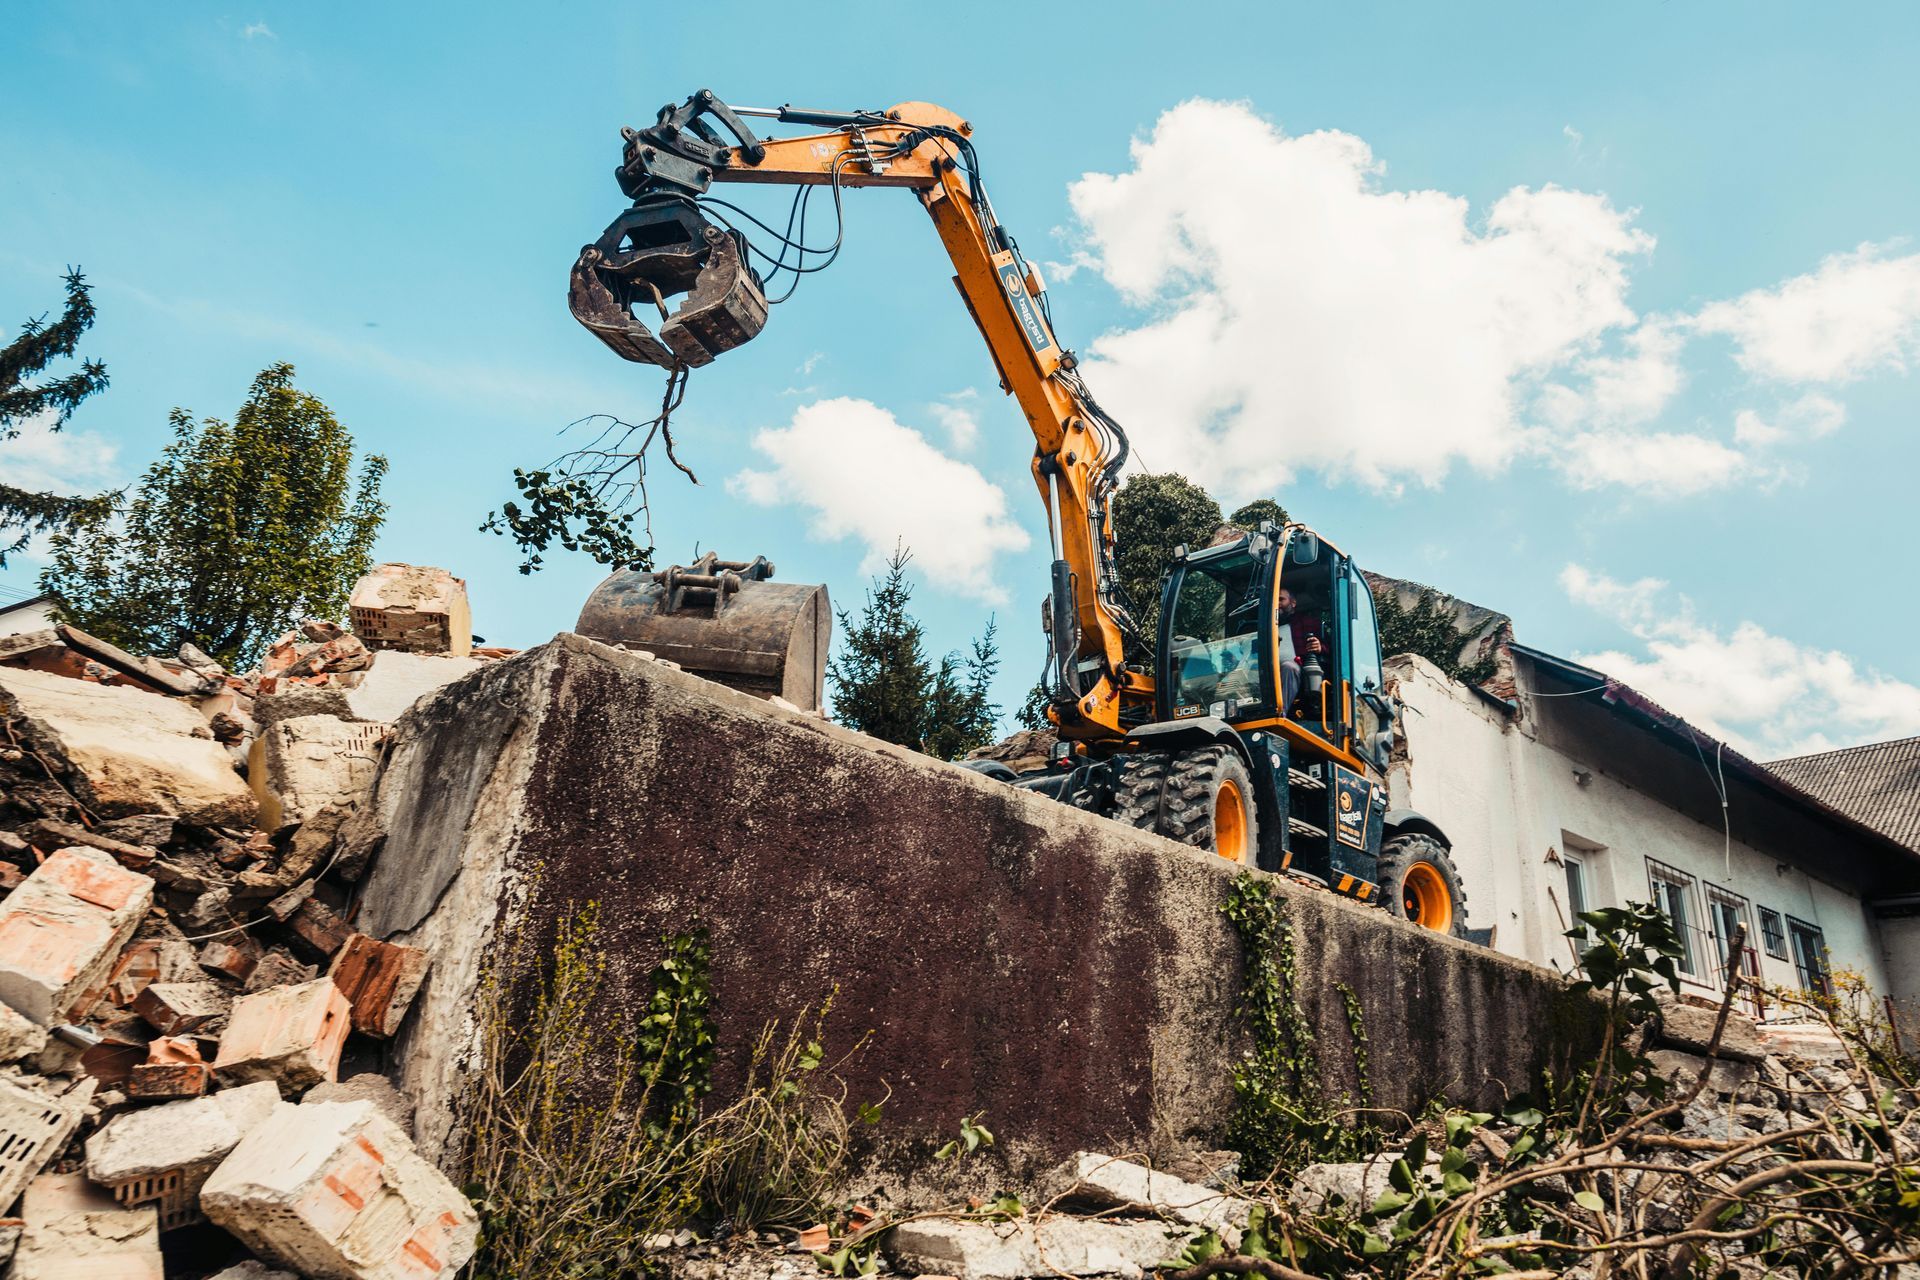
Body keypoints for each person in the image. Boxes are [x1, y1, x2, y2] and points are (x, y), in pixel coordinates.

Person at [1275, 587, 1324, 712]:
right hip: (1270, 670)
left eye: (1281, 599)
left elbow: (1330, 646)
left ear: (1293, 603)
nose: (1277, 603)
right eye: (1275, 600)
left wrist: (1320, 647)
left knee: (1289, 667)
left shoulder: (1307, 622)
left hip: (1300, 670)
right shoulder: (1264, 625)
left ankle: (1280, 712)